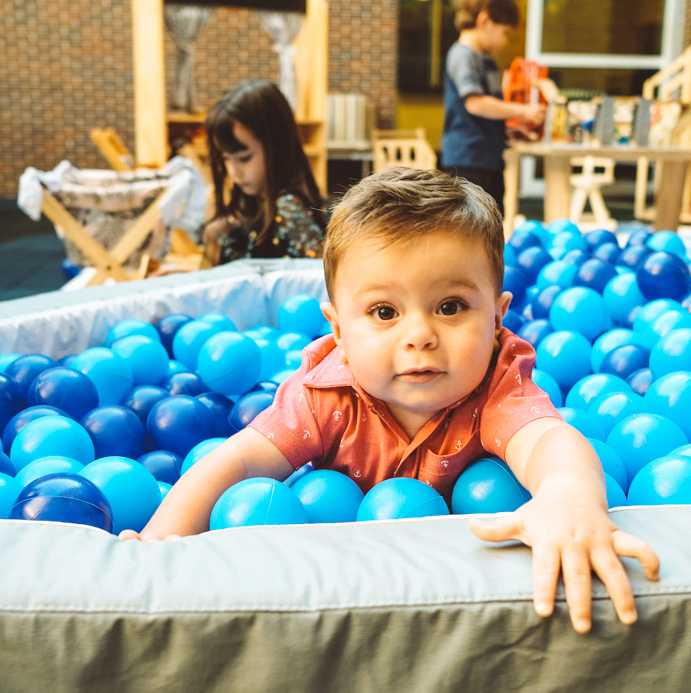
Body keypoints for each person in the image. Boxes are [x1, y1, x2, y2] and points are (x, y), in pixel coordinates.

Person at [122, 167, 660, 634]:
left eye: (451, 306)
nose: (420, 335)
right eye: (384, 313)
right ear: (338, 333)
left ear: (497, 321)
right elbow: (237, 459)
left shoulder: (495, 387)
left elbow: (549, 441)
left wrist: (569, 500)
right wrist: (158, 546)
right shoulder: (324, 397)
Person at [200, 78, 325, 267]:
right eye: (226, 158)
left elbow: (324, 274)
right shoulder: (255, 203)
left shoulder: (288, 210)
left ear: (277, 146)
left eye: (244, 158)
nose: (233, 171)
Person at [441, 0, 544, 214]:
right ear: (485, 21)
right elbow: (475, 104)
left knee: (493, 218)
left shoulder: (485, 59)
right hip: (468, 161)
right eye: (505, 32)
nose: (505, 41)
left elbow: (485, 114)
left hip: (489, 159)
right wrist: (523, 111)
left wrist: (505, 131)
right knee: (470, 222)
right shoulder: (463, 56)